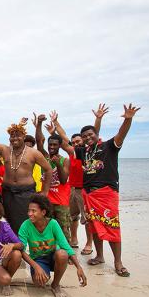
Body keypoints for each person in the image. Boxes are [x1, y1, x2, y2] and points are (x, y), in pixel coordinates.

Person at [74, 103, 141, 277]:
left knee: (112, 226)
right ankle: (100, 256)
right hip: (88, 194)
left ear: (97, 135)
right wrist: (97, 120)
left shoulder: (110, 146)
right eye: (84, 136)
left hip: (106, 192)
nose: (87, 138)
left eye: (90, 135)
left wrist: (128, 119)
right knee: (94, 227)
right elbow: (75, 140)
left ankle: (118, 262)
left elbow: (122, 134)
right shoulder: (84, 152)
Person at [0, 113, 53, 234]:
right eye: (12, 136)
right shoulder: (5, 150)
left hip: (26, 193)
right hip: (8, 192)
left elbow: (48, 169)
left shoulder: (33, 153)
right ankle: (12, 248)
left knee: (25, 222)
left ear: (23, 136)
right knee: (8, 221)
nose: (15, 138)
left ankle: (24, 247)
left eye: (18, 135)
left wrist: (45, 192)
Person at [49, 107, 105, 254]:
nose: (76, 143)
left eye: (78, 141)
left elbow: (94, 133)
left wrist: (98, 119)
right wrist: (56, 123)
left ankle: (89, 243)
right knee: (72, 217)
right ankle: (74, 239)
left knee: (87, 218)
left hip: (84, 190)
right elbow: (63, 138)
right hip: (72, 189)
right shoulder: (73, 153)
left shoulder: (89, 152)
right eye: (74, 142)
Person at [19, 194, 87, 297]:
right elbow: (21, 250)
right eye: (29, 210)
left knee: (62, 254)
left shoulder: (53, 224)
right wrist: (36, 267)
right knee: (39, 282)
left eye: (33, 211)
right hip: (38, 259)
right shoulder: (25, 225)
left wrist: (79, 267)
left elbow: (66, 246)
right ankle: (45, 274)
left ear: (43, 212)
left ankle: (55, 285)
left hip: (53, 257)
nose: (29, 214)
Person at [35, 113, 71, 243]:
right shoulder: (44, 157)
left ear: (59, 146)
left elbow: (63, 180)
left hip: (61, 202)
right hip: (47, 201)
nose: (52, 147)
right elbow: (39, 142)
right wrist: (39, 124)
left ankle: (67, 255)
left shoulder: (65, 160)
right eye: (50, 144)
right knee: (47, 229)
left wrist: (58, 165)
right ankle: (51, 254)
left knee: (63, 229)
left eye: (55, 145)